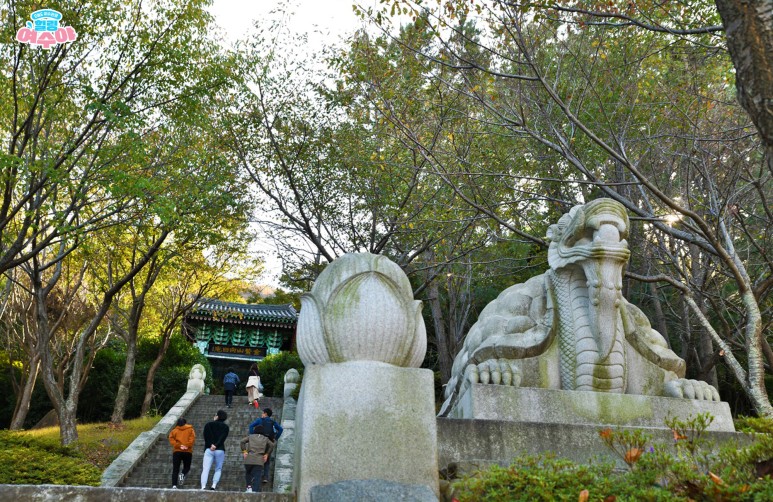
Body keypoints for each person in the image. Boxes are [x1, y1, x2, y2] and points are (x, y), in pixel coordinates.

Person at [247, 408, 283, 485]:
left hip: (260, 442)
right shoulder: (273, 422)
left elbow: (251, 426)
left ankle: (254, 476)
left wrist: (252, 435)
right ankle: (265, 477)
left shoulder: (260, 420)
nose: (262, 414)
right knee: (267, 460)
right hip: (269, 442)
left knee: (257, 457)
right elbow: (280, 429)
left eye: (262, 413)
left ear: (265, 413)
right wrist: (275, 438)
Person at [240, 422, 275, 493]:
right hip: (259, 460)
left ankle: (249, 487)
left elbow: (242, 441)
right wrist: (266, 454)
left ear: (255, 430)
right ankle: (255, 491)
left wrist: (244, 451)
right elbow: (271, 445)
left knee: (248, 473)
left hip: (249, 459)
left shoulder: (251, 436)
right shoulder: (265, 438)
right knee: (257, 476)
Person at [200, 409, 229, 490]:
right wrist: (216, 445)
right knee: (218, 469)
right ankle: (214, 485)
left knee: (206, 468)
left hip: (209, 449)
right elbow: (222, 438)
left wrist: (211, 445)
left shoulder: (208, 425)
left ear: (218, 416)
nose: (214, 416)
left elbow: (206, 437)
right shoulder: (226, 427)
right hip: (220, 449)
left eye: (216, 414)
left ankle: (203, 486)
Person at [168, 417, 195, 489]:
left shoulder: (174, 430)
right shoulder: (190, 429)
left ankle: (174, 485)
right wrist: (186, 446)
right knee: (187, 467)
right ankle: (182, 474)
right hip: (187, 451)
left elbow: (171, 439)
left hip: (177, 451)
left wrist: (179, 446)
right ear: (185, 422)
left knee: (175, 468)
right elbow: (192, 439)